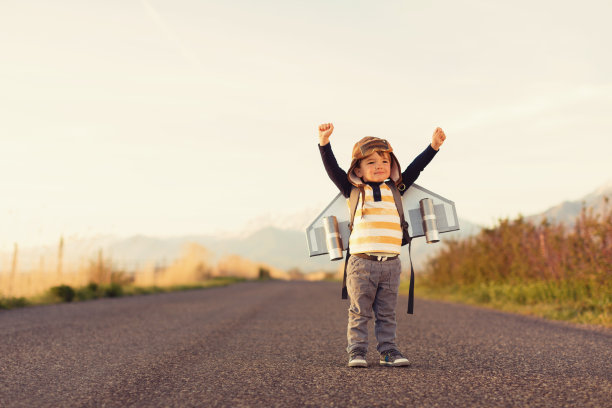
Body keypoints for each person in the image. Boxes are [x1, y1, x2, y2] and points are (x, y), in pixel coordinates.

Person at [317, 123, 446, 367]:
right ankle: (357, 352)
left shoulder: (396, 188)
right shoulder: (353, 190)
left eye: (385, 162)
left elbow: (415, 169)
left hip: (391, 264)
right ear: (358, 169)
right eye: (371, 162)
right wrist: (324, 143)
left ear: (392, 167)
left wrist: (433, 147)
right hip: (361, 264)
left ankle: (388, 352)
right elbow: (333, 170)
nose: (379, 166)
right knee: (359, 312)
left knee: (387, 313)